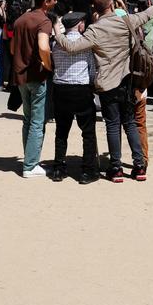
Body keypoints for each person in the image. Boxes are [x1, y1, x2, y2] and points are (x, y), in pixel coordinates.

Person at [53, 0, 153, 182]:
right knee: (130, 122)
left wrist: (57, 32)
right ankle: (139, 166)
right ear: (111, 6)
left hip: (107, 82)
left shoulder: (94, 30)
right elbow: (147, 14)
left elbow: (72, 47)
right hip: (126, 80)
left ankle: (115, 168)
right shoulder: (125, 20)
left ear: (96, 9)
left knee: (112, 125)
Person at [12, 0, 58, 178]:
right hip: (36, 76)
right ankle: (30, 165)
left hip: (20, 76)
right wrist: (47, 65)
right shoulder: (44, 21)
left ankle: (29, 159)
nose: (56, 1)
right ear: (46, 1)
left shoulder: (21, 19)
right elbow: (43, 47)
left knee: (28, 119)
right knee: (38, 122)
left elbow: (13, 49)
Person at [50, 12, 99, 184]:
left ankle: (58, 168)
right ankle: (87, 171)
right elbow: (92, 70)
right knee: (88, 132)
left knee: (62, 131)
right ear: (79, 25)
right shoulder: (85, 44)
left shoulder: (56, 43)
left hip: (61, 88)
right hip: (81, 88)